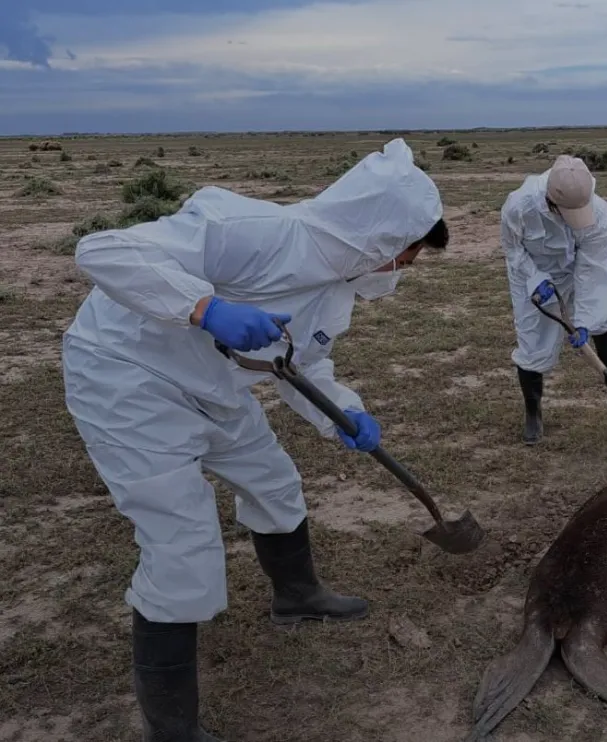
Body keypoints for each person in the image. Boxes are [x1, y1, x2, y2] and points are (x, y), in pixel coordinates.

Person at [60, 138, 448, 741]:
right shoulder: (252, 229)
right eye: (406, 256)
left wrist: (345, 413)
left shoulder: (334, 288)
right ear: (377, 237)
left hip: (215, 385)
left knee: (274, 482)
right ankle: (173, 734)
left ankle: (297, 597)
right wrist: (204, 306)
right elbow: (103, 249)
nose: (403, 269)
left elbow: (301, 368)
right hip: (127, 378)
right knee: (182, 544)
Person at [499, 154, 607, 445]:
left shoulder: (602, 216)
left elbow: (594, 270)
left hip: (576, 268)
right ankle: (533, 413)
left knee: (606, 317)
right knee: (533, 342)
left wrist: (584, 322)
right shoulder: (519, 206)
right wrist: (534, 277)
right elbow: (512, 248)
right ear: (551, 202)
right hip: (532, 272)